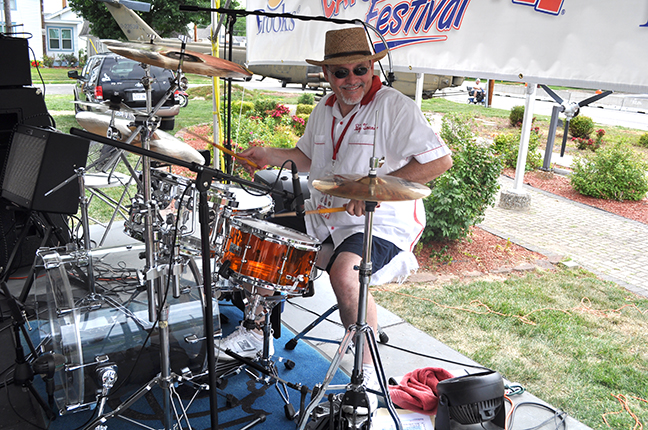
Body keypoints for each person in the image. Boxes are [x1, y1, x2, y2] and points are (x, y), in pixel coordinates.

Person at [218, 26, 453, 412]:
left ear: (372, 70)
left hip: (381, 220)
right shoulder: (324, 109)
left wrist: (374, 189)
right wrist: (266, 154)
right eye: (340, 73)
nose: (351, 80)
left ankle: (367, 376)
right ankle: (254, 331)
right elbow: (308, 159)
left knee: (345, 272)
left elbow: (439, 161)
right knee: (264, 237)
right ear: (326, 74)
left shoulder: (394, 107)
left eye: (360, 70)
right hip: (324, 215)